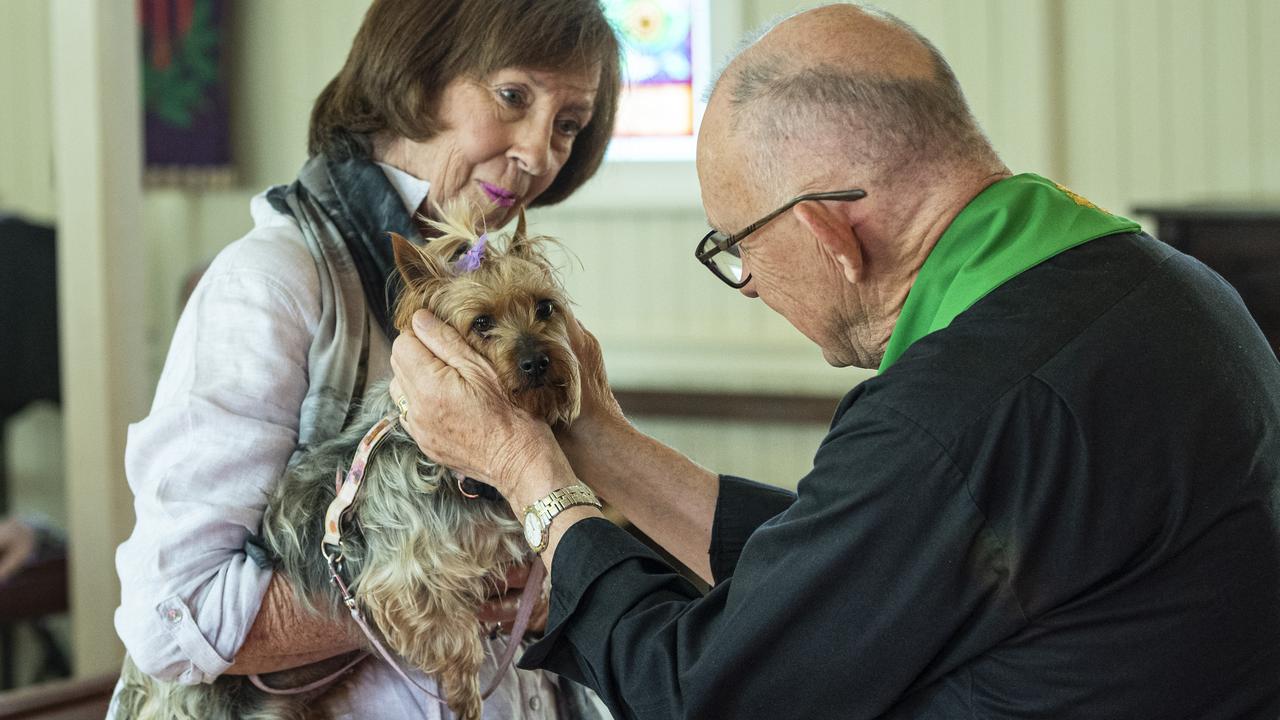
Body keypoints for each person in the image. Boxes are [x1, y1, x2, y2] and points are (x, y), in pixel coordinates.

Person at [388, 4, 1280, 718]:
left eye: (734, 248)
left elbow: (698, 691)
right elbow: (856, 560)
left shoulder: (948, 415)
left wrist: (524, 470)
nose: (746, 285)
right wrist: (603, 442)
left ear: (826, 233)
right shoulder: (1171, 286)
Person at [112, 1, 619, 717]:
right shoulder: (270, 282)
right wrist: (451, 585)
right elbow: (176, 615)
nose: (539, 153)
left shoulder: (506, 292)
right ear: (417, 76)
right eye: (513, 97)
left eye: (568, 125)